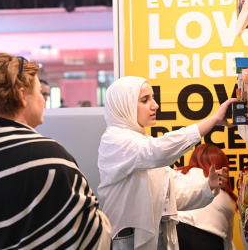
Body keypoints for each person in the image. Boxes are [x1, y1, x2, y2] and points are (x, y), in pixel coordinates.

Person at [0, 53, 112, 250]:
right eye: (39, 92)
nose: (43, 101)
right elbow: (90, 236)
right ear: (21, 95)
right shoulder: (49, 156)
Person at [97, 76, 237, 250]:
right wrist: (213, 120)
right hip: (128, 239)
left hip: (156, 235)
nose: (155, 105)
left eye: (153, 98)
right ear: (124, 105)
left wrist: (207, 187)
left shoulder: (142, 143)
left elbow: (172, 199)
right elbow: (157, 151)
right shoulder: (115, 141)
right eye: (145, 100)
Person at [175, 144, 237, 250]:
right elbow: (227, 242)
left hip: (175, 236)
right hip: (211, 243)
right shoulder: (228, 199)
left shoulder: (176, 173)